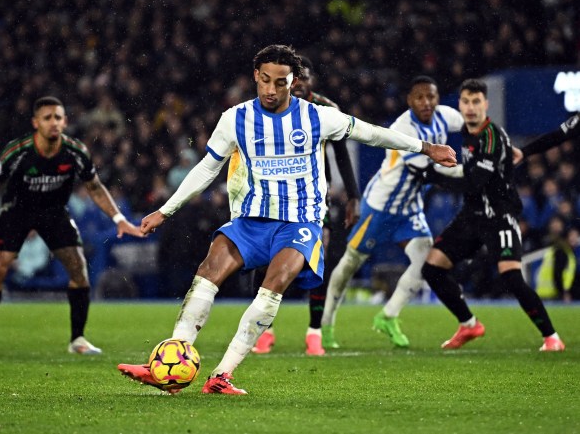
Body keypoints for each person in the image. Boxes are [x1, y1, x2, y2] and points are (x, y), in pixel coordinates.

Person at [117, 44, 456, 394]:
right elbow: (207, 168)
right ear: (255, 77)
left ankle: (222, 375)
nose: (270, 89)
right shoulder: (235, 119)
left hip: (300, 223)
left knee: (272, 286)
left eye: (280, 82)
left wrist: (426, 148)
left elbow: (370, 133)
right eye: (265, 80)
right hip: (251, 220)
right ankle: (170, 362)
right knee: (206, 272)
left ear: (293, 82)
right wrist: (165, 210)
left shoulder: (317, 116)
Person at [0, 96, 143, 355]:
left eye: (58, 118)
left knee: (79, 268)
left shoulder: (75, 151)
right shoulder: (17, 151)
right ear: (35, 122)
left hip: (54, 213)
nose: (54, 123)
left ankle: (78, 340)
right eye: (48, 118)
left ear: (65, 121)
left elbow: (94, 187)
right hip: (16, 211)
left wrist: (119, 219)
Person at [412, 79, 565, 351]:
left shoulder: (492, 137)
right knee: (432, 269)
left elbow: (473, 183)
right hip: (472, 215)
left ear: (486, 104)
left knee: (511, 276)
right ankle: (469, 324)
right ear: (459, 104)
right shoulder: (466, 133)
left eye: (476, 102)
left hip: (499, 216)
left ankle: (552, 338)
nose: (470, 108)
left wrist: (432, 175)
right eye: (466, 102)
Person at [320, 76, 464, 348]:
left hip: (410, 209)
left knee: (425, 261)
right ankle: (325, 324)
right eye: (419, 97)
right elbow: (431, 170)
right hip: (380, 208)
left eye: (431, 96)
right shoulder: (403, 127)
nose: (426, 102)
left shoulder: (446, 116)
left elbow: (469, 123)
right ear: (409, 101)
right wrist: (472, 172)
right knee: (350, 263)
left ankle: (388, 315)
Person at [251, 55, 361, 356]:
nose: (297, 84)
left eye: (304, 78)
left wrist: (353, 195)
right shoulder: (263, 106)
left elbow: (341, 155)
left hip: (312, 199)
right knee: (263, 260)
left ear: (307, 81)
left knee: (316, 260)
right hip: (270, 195)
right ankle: (264, 330)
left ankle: (314, 332)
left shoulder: (325, 110)